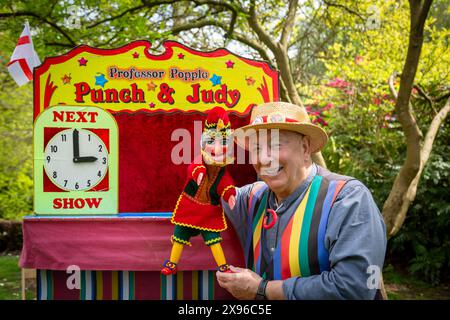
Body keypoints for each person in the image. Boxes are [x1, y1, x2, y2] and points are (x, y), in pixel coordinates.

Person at [216, 102, 387, 300]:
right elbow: (206, 190)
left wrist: (263, 289)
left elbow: (355, 288)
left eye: (276, 145)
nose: (263, 158)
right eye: (256, 147)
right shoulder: (252, 198)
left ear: (305, 148)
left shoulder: (348, 198)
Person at [161, 107, 237, 275]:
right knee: (180, 234)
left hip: (209, 211)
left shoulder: (222, 170)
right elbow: (194, 168)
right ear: (204, 142)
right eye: (211, 142)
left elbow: (225, 183)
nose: (217, 149)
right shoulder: (200, 160)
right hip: (190, 206)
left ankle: (223, 266)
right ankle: (172, 263)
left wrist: (230, 194)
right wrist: (199, 174)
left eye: (223, 142)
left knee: (214, 239)